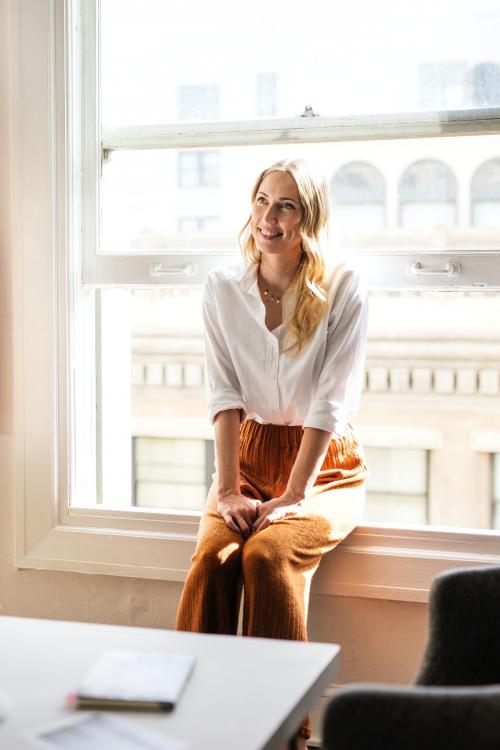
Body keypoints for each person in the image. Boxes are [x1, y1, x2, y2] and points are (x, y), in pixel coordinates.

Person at [176, 157, 369, 746]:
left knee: (266, 556)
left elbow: (329, 406)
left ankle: (282, 735)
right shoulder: (221, 290)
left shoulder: (342, 287)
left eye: (286, 205)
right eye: (263, 200)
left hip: (324, 465)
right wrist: (229, 487)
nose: (270, 216)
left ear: (308, 219)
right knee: (216, 559)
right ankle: (192, 721)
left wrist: (293, 494)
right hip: (246, 457)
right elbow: (224, 394)